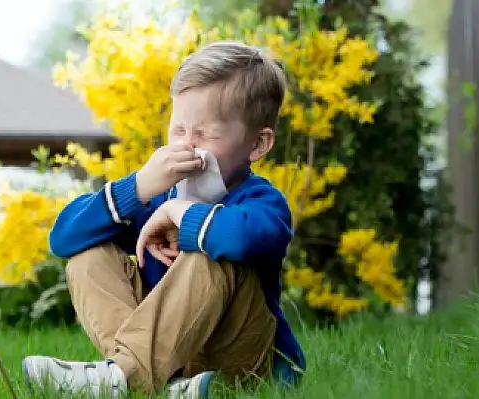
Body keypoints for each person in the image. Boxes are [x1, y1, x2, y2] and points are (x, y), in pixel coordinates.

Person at [22, 40, 306, 398]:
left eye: (206, 134)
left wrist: (179, 215)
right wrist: (138, 187)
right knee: (88, 256)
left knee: (212, 252)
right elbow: (63, 238)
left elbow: (240, 239)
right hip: (172, 359)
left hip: (241, 361)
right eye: (178, 130)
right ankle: (153, 382)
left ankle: (123, 379)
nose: (187, 145)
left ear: (257, 144)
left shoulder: (263, 202)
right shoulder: (158, 195)